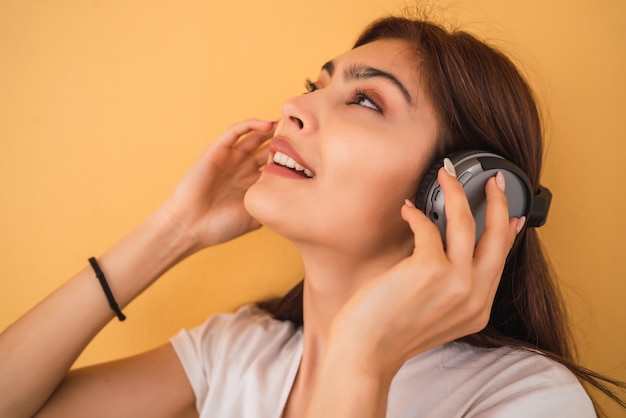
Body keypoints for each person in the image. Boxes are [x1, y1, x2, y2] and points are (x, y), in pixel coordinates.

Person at [0, 14, 623, 418]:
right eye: (314, 84)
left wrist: (362, 357)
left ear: (470, 189)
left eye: (364, 100)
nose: (294, 106)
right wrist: (174, 230)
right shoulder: (238, 354)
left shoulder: (525, 400)